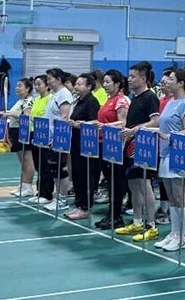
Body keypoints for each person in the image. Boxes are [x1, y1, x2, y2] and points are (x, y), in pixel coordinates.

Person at [113, 63, 161, 242]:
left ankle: (152, 226)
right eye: (129, 76)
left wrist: (134, 131)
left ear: (143, 78)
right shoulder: (135, 98)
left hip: (144, 146)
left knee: (144, 184)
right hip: (130, 146)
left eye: (133, 76)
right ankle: (137, 222)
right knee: (133, 184)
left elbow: (155, 122)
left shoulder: (150, 97)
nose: (129, 79)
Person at [150, 68, 185, 252]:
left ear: (181, 83)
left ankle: (181, 237)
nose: (166, 81)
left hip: (179, 154)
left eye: (171, 79)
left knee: (179, 195)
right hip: (165, 152)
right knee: (171, 196)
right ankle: (174, 233)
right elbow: (163, 127)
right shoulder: (170, 102)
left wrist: (169, 136)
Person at [94, 70, 130, 230]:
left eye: (108, 82)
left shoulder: (121, 100)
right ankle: (110, 214)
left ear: (118, 84)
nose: (105, 85)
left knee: (117, 181)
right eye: (104, 82)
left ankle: (116, 216)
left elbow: (123, 122)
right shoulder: (109, 100)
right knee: (109, 181)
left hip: (116, 146)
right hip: (104, 144)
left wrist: (105, 126)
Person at [65, 73, 101, 220]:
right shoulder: (78, 101)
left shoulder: (92, 102)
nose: (76, 86)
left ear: (89, 86)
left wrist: (79, 124)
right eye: (76, 84)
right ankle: (79, 205)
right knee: (77, 176)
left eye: (80, 84)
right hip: (75, 143)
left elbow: (95, 122)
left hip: (86, 145)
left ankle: (85, 207)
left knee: (86, 176)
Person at [36, 68, 73, 211]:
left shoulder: (64, 94)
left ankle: (62, 199)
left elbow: (64, 118)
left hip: (60, 138)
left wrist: (57, 137)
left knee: (60, 170)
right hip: (50, 138)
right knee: (53, 169)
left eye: (50, 78)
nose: (48, 81)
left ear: (58, 79)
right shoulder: (54, 94)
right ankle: (58, 197)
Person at [5, 78, 35, 197]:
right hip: (15, 131)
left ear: (27, 88)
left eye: (20, 86)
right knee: (22, 161)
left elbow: (27, 116)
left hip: (24, 131)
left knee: (27, 161)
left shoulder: (29, 101)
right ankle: (23, 185)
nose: (17, 88)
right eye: (17, 86)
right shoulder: (20, 101)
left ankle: (28, 187)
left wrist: (10, 113)